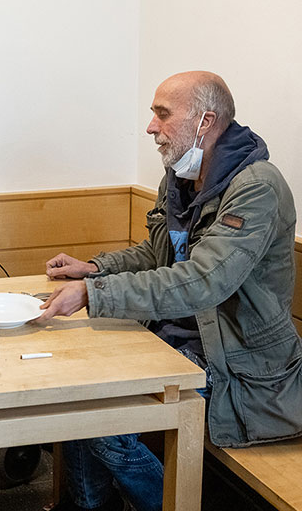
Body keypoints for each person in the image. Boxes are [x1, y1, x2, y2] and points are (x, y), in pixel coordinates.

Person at [40, 71, 301, 511]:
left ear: (205, 121)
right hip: (173, 342)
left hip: (237, 366)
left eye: (162, 115)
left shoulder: (256, 187)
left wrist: (92, 293)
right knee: (78, 391)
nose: (150, 128)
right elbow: (160, 254)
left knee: (105, 422)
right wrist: (94, 268)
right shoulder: (179, 177)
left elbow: (203, 281)